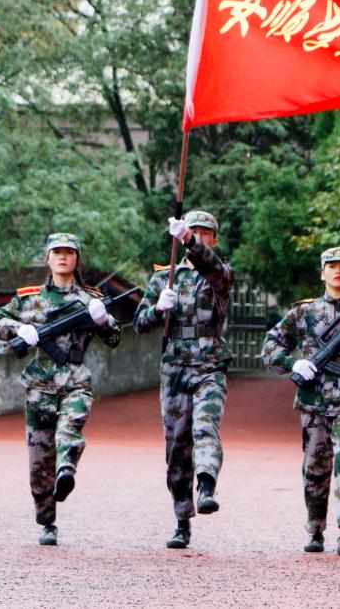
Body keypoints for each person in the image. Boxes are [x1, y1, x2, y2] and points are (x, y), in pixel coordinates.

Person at [0, 233, 121, 546]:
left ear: (77, 258)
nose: (63, 257)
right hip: (40, 384)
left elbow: (114, 338)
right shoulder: (29, 298)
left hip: (76, 379)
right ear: (48, 258)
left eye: (69, 252)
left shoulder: (91, 299)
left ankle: (66, 470)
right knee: (39, 459)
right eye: (57, 252)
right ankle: (47, 521)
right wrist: (20, 328)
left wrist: (103, 321)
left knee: (69, 428)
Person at [261, 247, 340, 557]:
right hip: (313, 402)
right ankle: (315, 529)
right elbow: (270, 348)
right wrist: (294, 363)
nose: (338, 271)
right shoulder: (304, 312)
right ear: (322, 273)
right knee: (315, 469)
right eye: (332, 266)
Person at [133, 210, 234, 549]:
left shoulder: (219, 273)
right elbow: (139, 323)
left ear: (214, 239)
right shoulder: (165, 278)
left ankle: (206, 486)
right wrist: (158, 309)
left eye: (205, 233)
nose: (199, 237)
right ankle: (181, 519)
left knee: (206, 425)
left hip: (209, 364)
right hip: (175, 366)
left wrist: (189, 242)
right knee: (177, 445)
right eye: (193, 232)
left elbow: (212, 268)